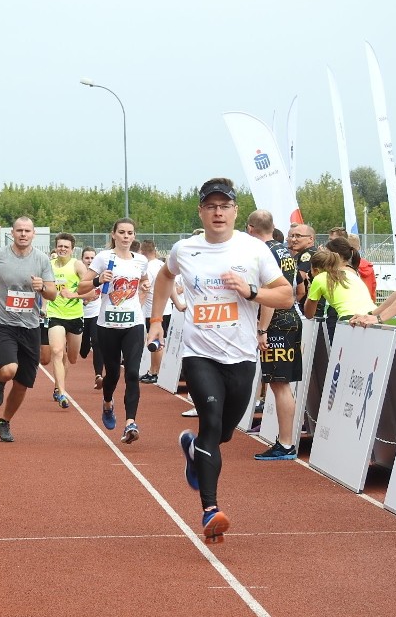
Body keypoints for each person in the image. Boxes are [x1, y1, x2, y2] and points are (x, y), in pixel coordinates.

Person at [148, 178, 293, 543]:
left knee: (225, 432)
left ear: (234, 211)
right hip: (200, 353)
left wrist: (251, 291)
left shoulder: (255, 250)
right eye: (210, 206)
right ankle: (210, 510)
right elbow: (165, 278)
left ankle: (194, 451)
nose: (217, 212)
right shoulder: (185, 249)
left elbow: (287, 296)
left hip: (241, 356)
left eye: (224, 206)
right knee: (211, 422)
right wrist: (154, 322)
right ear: (201, 211)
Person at [0, 217, 56, 443]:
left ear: (34, 234)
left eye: (27, 231)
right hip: (3, 324)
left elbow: (53, 294)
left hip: (30, 326)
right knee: (9, 369)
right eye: (19, 230)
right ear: (12, 233)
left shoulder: (42, 260)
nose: (23, 234)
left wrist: (42, 287)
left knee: (23, 383)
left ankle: (4, 422)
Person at [78, 218, 149, 444]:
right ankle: (107, 402)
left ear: (134, 236)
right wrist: (99, 279)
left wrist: (143, 292)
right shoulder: (103, 258)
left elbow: (144, 282)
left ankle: (131, 422)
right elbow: (81, 286)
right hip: (107, 325)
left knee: (132, 373)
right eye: (122, 232)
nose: (126, 236)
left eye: (130, 233)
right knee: (113, 374)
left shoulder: (141, 261)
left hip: (133, 325)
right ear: (114, 234)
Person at [246, 209, 302, 461]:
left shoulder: (264, 252)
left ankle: (286, 444)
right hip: (291, 317)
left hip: (277, 322)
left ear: (250, 229)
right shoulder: (283, 250)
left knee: (279, 385)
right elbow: (298, 288)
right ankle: (286, 442)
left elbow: (269, 296)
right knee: (282, 384)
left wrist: (262, 330)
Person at [46, 233, 88, 408]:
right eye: (60, 246)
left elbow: (92, 291)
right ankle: (62, 393)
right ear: (56, 247)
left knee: (71, 357)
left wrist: (75, 294)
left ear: (72, 249)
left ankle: (59, 385)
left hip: (75, 316)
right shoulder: (49, 266)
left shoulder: (77, 265)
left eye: (66, 247)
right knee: (56, 350)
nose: (62, 249)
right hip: (55, 313)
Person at [304, 248, 376, 337]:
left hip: (351, 319)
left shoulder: (319, 278)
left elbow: (309, 314)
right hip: (373, 316)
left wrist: (310, 286)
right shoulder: (349, 273)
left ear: (316, 270)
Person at [139, 240, 179, 384]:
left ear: (142, 253)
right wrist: (178, 304)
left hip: (153, 310)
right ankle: (154, 369)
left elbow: (145, 289)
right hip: (166, 308)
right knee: (158, 341)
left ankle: (155, 371)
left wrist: (138, 307)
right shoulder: (162, 266)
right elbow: (172, 286)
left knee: (155, 341)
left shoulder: (148, 268)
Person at [77, 247, 104, 389]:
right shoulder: (78, 274)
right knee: (83, 350)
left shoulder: (100, 274)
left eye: (92, 258)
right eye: (87, 258)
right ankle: (83, 347)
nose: (90, 261)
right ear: (82, 259)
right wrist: (83, 298)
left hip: (95, 313)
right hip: (79, 314)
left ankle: (98, 375)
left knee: (97, 342)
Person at [346, 233, 377, 303]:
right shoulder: (369, 266)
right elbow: (373, 287)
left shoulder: (344, 266)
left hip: (349, 304)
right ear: (359, 247)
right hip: (367, 304)